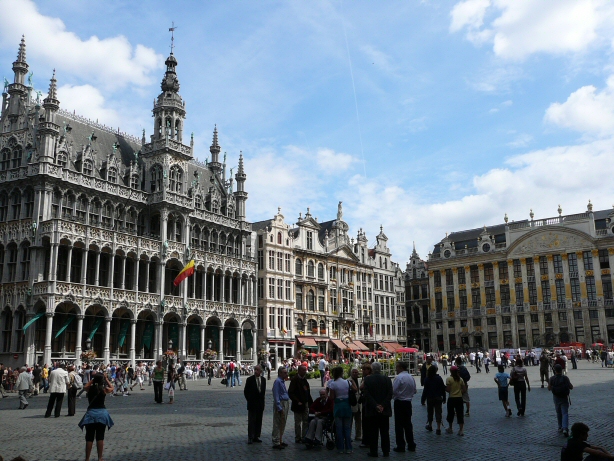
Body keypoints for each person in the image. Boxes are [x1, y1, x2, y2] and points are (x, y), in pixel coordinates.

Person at [78, 372, 114, 461]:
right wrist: (106, 379)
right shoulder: (104, 390)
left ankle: (87, 458)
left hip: (91, 414)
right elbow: (112, 388)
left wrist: (93, 380)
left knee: (89, 437)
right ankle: (100, 458)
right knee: (100, 437)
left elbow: (85, 386)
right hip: (102, 414)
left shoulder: (90, 389)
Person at [363, 362, 393, 457]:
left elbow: (367, 395)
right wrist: (382, 405)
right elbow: (390, 394)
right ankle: (386, 451)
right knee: (385, 432)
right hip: (384, 410)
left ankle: (374, 451)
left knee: (373, 432)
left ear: (372, 369)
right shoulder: (387, 379)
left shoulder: (367, 379)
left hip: (372, 410)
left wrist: (376, 405)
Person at [327, 366, 354, 454]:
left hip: (338, 406)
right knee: (347, 428)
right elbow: (355, 389)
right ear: (342, 373)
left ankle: (340, 448)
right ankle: (349, 447)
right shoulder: (347, 382)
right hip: (347, 405)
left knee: (339, 428)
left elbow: (331, 397)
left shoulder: (333, 384)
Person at [392, 361, 416, 452]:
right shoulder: (411, 377)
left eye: (397, 367)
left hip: (399, 402)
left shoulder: (399, 377)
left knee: (399, 425)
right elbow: (414, 390)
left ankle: (401, 445)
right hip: (408, 402)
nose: (396, 369)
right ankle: (411, 444)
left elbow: (394, 390)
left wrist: (397, 395)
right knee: (408, 424)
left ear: (401, 368)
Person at [288, 364, 313, 444]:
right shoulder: (295, 380)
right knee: (298, 422)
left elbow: (307, 392)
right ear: (299, 371)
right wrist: (297, 401)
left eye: (305, 370)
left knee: (305, 421)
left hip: (305, 403)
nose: (305, 371)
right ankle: (298, 437)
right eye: (303, 370)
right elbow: (291, 392)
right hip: (298, 405)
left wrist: (310, 403)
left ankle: (304, 436)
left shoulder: (304, 380)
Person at [548, 363, 573, 437]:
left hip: (556, 397)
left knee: (558, 412)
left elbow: (549, 388)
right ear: (561, 370)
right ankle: (565, 428)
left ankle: (560, 426)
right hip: (564, 397)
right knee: (565, 413)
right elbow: (571, 387)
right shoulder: (565, 378)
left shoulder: (552, 378)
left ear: (555, 370)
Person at [244, 365, 266, 444]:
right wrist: (249, 400)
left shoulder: (263, 380)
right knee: (251, 421)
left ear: (261, 371)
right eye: (255, 369)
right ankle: (250, 437)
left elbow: (263, 392)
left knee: (259, 420)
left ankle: (256, 436)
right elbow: (246, 391)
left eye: (257, 370)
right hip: (252, 404)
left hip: (260, 404)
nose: (256, 371)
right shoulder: (250, 379)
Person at [423, 363, 445, 434]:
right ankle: (438, 428)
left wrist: (423, 399)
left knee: (430, 412)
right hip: (438, 397)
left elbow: (425, 390)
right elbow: (443, 388)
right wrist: (444, 397)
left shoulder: (427, 379)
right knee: (438, 412)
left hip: (430, 398)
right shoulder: (439, 378)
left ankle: (430, 425)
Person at [445, 365, 466, 436]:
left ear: (451, 371)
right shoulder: (461, 379)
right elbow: (464, 389)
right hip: (459, 398)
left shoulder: (449, 379)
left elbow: (448, 390)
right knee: (460, 414)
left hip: (451, 398)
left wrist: (444, 388)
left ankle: (450, 428)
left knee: (450, 413)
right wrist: (459, 392)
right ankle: (461, 430)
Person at [272, 366, 290, 449]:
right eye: (285, 373)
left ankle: (280, 440)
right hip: (281, 403)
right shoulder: (277, 382)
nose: (286, 374)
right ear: (280, 373)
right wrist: (279, 407)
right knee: (278, 423)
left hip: (285, 402)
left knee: (283, 422)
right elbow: (276, 395)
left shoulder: (282, 381)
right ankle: (276, 441)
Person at [359, 363, 373, 448]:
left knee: (365, 422)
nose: (363, 371)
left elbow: (361, 387)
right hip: (368, 402)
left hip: (366, 402)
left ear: (369, 370)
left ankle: (366, 440)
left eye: (364, 369)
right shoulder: (369, 377)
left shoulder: (367, 378)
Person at [349, 368, 362, 442]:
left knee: (359, 421)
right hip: (352, 403)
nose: (354, 373)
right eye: (353, 372)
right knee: (350, 421)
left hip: (359, 404)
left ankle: (358, 435)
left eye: (356, 372)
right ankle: (348, 436)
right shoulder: (348, 380)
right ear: (351, 373)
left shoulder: (360, 380)